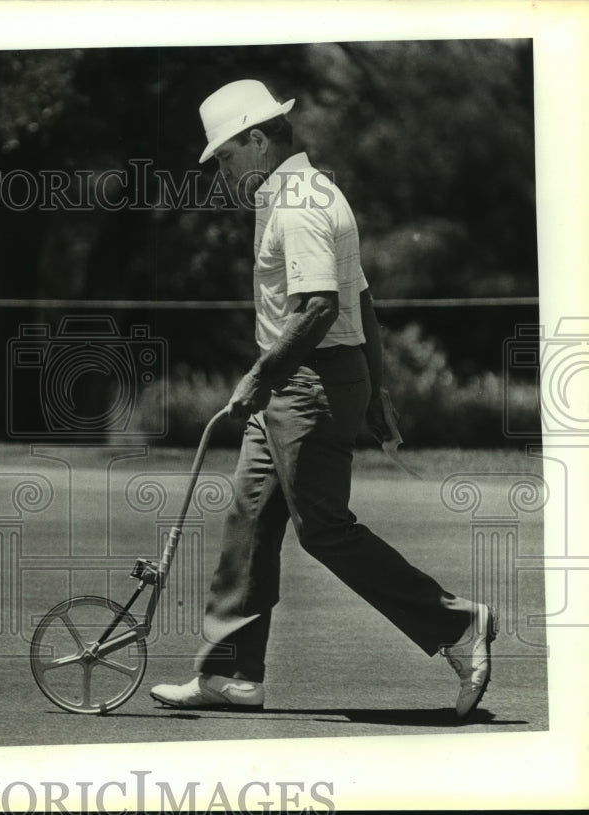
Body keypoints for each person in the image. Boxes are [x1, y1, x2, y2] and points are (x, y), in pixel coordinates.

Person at [149, 79, 496, 719]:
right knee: (250, 516)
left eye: (225, 157)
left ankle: (457, 626)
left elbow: (319, 308)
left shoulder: (298, 203)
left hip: (307, 381)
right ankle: (232, 674)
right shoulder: (296, 191)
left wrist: (262, 378)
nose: (222, 173)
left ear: (257, 140)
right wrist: (376, 386)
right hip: (313, 376)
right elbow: (360, 296)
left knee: (324, 531)